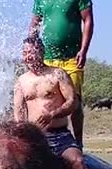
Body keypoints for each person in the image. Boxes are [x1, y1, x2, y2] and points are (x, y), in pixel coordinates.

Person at [13, 35, 98, 169]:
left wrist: (54, 114)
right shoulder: (21, 82)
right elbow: (18, 114)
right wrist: (22, 134)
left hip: (60, 135)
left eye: (31, 52)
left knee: (78, 162)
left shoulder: (57, 74)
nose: (28, 56)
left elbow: (72, 102)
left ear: (41, 52)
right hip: (35, 138)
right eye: (24, 53)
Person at [28, 0, 94, 149]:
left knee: (74, 100)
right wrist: (32, 50)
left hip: (72, 58)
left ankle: (78, 142)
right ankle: (44, 141)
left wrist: (83, 50)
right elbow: (34, 24)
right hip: (48, 59)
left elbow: (88, 20)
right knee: (47, 99)